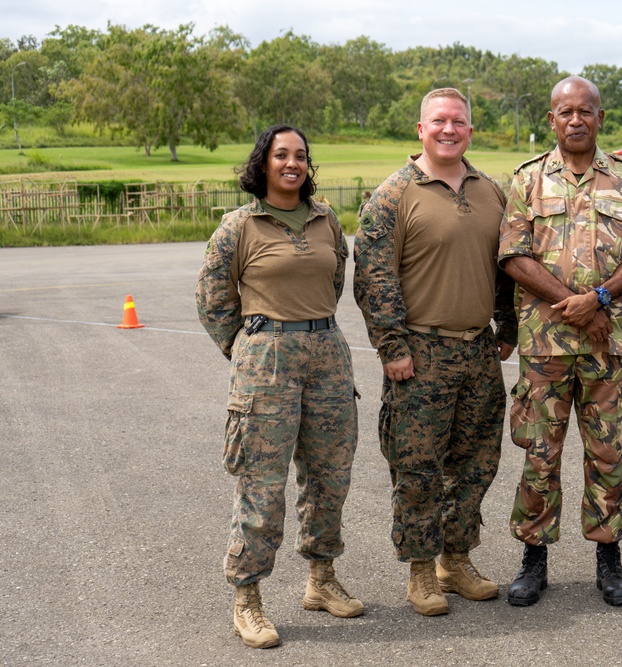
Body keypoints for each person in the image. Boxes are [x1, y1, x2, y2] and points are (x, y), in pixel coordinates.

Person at [196, 125, 362, 649]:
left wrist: (309, 328)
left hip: (328, 355)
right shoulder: (239, 225)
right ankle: (248, 598)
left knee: (329, 476)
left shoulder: (325, 219)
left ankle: (321, 579)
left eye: (300, 156)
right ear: (263, 163)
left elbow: (334, 283)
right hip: (266, 362)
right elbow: (212, 299)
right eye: (281, 155)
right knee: (261, 486)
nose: (292, 163)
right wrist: (245, 346)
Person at [353, 88, 517, 617]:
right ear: (420, 128)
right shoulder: (394, 195)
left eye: (460, 121)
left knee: (475, 464)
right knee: (418, 468)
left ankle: (456, 559)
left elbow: (504, 269)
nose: (450, 129)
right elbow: (374, 279)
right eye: (439, 121)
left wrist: (506, 326)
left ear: (471, 129)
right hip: (419, 353)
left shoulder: (490, 190)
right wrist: (392, 346)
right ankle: (421, 571)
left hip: (477, 351)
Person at [498, 76, 622, 607]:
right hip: (545, 347)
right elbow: (513, 257)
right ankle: (533, 559)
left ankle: (609, 560)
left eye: (585, 111)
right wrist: (575, 303)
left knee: (608, 453)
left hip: (607, 346)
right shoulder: (526, 180)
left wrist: (600, 301)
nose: (576, 120)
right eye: (565, 112)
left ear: (600, 118)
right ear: (552, 120)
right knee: (539, 455)